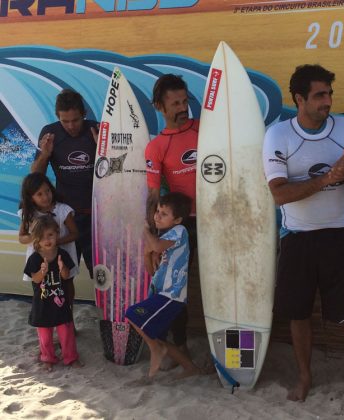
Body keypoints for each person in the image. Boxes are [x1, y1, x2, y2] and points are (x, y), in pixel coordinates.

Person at [262, 64, 344, 402]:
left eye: (329, 94)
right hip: (297, 236)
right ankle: (304, 376)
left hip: (339, 233)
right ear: (299, 99)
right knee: (298, 312)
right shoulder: (278, 135)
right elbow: (279, 194)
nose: (327, 101)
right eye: (319, 95)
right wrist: (327, 179)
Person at [144, 74, 199, 365]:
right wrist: (151, 238)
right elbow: (154, 196)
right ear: (160, 107)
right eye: (174, 103)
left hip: (217, 220)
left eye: (184, 100)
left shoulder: (205, 130)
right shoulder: (156, 147)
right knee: (174, 289)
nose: (182, 107)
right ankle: (182, 347)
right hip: (183, 226)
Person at [125, 192, 201, 378]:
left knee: (132, 314)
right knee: (157, 337)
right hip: (160, 294)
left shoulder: (179, 231)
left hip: (171, 295)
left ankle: (155, 350)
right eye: (157, 211)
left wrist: (144, 231)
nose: (157, 215)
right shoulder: (164, 236)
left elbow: (157, 247)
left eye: (163, 213)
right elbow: (152, 271)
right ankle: (190, 368)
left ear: (177, 219)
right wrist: (147, 254)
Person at [31, 89, 98, 279]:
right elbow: (35, 178)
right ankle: (63, 309)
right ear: (57, 117)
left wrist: (105, 150)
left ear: (84, 114)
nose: (71, 126)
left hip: (97, 216)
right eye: (65, 121)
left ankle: (106, 309)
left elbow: (115, 175)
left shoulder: (97, 130)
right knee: (62, 275)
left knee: (102, 273)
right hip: (66, 217)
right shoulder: (50, 133)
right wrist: (45, 155)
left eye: (75, 120)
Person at [24, 215, 82, 371]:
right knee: (45, 336)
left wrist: (62, 267)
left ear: (57, 233)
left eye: (50, 234)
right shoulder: (34, 258)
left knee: (66, 332)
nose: (47, 239)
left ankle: (70, 357)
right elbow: (35, 280)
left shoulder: (62, 254)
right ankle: (48, 358)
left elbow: (66, 276)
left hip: (60, 303)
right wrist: (42, 272)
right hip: (42, 305)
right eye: (42, 237)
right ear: (36, 240)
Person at [19, 172, 79, 309]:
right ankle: (45, 319)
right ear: (30, 197)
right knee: (40, 287)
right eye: (39, 194)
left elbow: (75, 234)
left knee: (67, 283)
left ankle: (68, 318)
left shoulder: (63, 210)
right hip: (38, 258)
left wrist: (56, 243)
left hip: (62, 255)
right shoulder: (28, 213)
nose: (45, 196)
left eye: (47, 191)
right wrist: (36, 238)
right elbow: (21, 237)